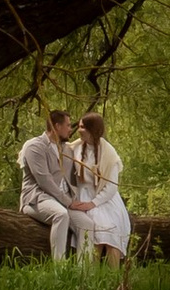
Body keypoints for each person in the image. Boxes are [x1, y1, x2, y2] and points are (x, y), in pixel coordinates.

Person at [18, 104, 90, 261]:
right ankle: (60, 268)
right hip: (36, 199)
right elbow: (44, 180)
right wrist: (68, 202)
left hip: (62, 200)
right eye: (68, 125)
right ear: (57, 126)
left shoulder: (67, 149)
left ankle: (84, 272)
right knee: (61, 215)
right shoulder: (34, 147)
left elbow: (74, 177)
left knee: (87, 224)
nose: (71, 129)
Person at [66, 107, 131, 262]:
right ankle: (91, 277)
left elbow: (111, 187)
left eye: (82, 127)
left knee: (111, 231)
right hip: (83, 196)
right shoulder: (75, 147)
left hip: (105, 199)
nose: (78, 130)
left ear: (92, 130)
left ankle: (113, 278)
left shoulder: (109, 153)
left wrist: (93, 203)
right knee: (94, 233)